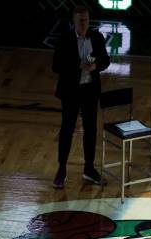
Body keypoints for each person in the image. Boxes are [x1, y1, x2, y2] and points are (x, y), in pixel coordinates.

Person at [52, 6, 110, 189]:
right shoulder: (64, 39)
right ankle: (61, 169)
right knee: (67, 129)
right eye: (80, 21)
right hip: (71, 91)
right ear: (74, 22)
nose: (84, 23)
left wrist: (95, 67)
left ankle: (89, 168)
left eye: (86, 20)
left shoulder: (97, 37)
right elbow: (56, 66)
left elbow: (105, 61)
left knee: (91, 130)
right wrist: (78, 65)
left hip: (90, 91)